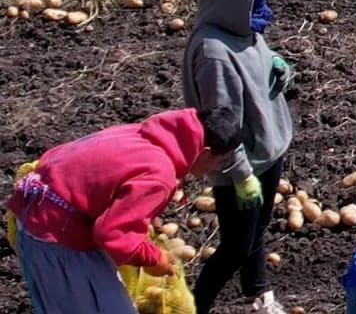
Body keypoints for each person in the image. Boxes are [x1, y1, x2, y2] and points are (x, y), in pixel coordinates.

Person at [6, 109, 227, 314]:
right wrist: (154, 259)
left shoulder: (140, 134)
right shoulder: (160, 175)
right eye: (221, 161)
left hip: (35, 217)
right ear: (205, 152)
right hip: (56, 240)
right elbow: (112, 234)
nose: (219, 168)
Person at [183, 0, 296, 314]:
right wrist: (240, 174)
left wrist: (277, 65)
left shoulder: (245, 26)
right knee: (235, 247)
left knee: (258, 230)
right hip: (241, 164)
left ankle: (259, 294)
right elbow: (221, 126)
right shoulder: (213, 53)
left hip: (268, 148)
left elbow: (259, 61)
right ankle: (193, 307)